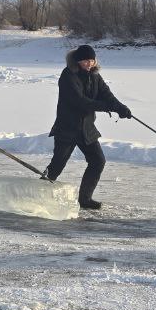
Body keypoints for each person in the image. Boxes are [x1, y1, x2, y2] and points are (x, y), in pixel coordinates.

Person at [44, 44, 131, 210]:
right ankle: (39, 193)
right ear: (77, 61)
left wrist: (121, 108)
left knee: (98, 161)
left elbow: (107, 95)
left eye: (91, 60)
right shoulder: (68, 75)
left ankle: (85, 199)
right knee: (57, 165)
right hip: (67, 128)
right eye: (85, 61)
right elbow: (80, 102)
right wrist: (107, 107)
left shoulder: (95, 76)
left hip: (86, 129)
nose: (89, 63)